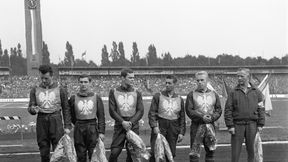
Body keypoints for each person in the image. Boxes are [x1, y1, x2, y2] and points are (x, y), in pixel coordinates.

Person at [27, 65, 71, 162]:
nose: (43, 80)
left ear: (52, 76)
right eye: (41, 78)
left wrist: (67, 126)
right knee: (43, 149)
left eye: (46, 78)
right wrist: (33, 110)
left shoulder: (61, 89)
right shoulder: (35, 89)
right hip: (41, 120)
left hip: (56, 119)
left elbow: (66, 108)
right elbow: (30, 107)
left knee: (58, 150)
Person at [224, 68, 265, 162]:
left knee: (252, 152)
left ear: (248, 77)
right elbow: (228, 110)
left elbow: (261, 108)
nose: (239, 78)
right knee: (235, 153)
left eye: (241, 76)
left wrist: (261, 124)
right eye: (238, 76)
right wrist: (230, 125)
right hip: (237, 125)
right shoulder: (233, 92)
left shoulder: (256, 92)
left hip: (252, 125)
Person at [108, 68, 144, 162]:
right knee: (114, 152)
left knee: (132, 154)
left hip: (133, 126)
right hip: (119, 126)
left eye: (133, 78)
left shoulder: (137, 92)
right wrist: (122, 122)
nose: (132, 80)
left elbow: (140, 111)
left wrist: (131, 123)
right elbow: (112, 111)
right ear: (123, 78)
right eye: (130, 78)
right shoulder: (113, 91)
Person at [185, 71, 222, 162]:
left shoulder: (214, 94)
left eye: (202, 80)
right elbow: (189, 110)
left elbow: (219, 110)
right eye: (198, 80)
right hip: (196, 126)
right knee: (194, 152)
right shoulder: (191, 94)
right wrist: (202, 117)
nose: (199, 82)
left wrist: (212, 117)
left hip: (210, 125)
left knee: (210, 151)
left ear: (207, 80)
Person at [148, 75, 186, 161]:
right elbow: (152, 113)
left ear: (175, 84)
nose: (167, 85)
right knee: (155, 152)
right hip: (160, 126)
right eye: (166, 83)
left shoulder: (179, 99)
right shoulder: (158, 96)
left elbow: (182, 117)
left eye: (169, 83)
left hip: (173, 128)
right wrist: (154, 126)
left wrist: (181, 132)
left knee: (171, 153)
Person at [68, 74, 105, 162]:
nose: (83, 84)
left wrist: (101, 132)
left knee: (93, 155)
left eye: (85, 82)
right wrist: (76, 124)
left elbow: (101, 116)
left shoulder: (96, 97)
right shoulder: (73, 98)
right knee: (80, 155)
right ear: (78, 83)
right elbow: (70, 114)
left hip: (92, 127)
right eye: (81, 82)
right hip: (79, 127)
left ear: (90, 83)